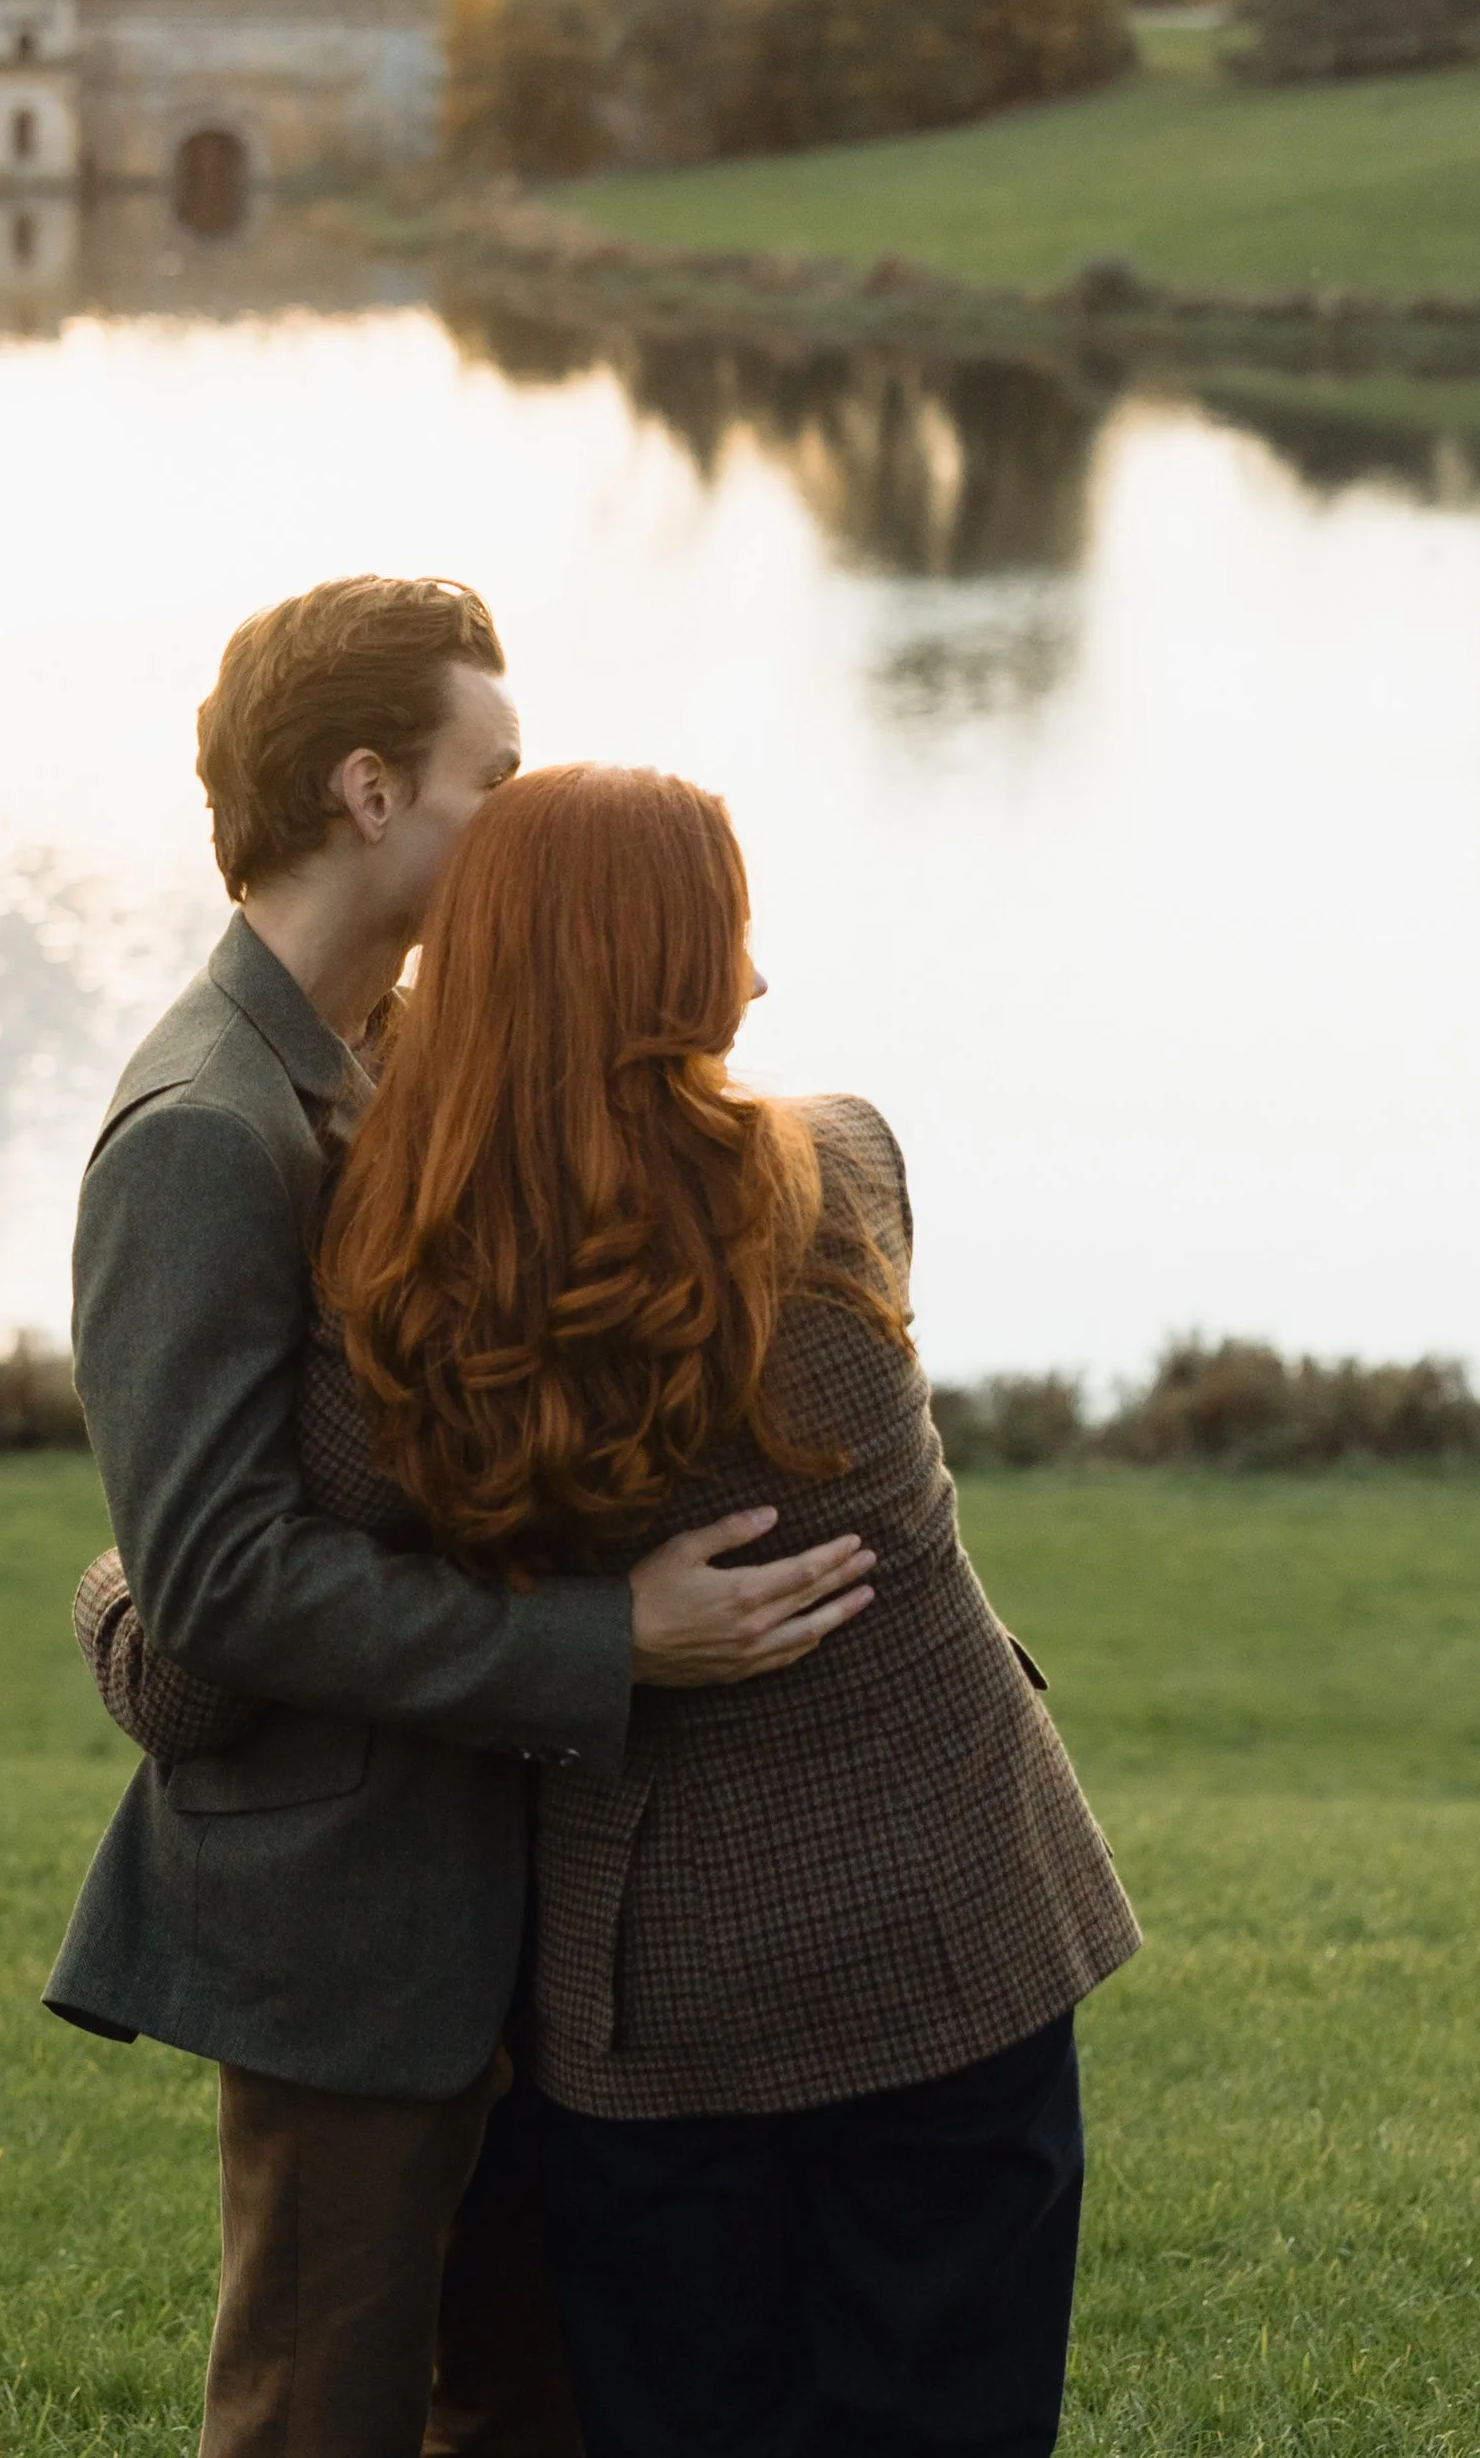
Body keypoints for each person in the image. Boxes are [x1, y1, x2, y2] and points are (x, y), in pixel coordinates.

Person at [83, 761, 1142, 2458]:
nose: (762, 981)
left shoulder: (414, 1303)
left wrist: (120, 1594)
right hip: (960, 1920)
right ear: (675, 969)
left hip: (661, 2001)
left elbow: (211, 1648)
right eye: (733, 935)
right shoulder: (847, 1166)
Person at [45, 587, 877, 2458]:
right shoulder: (202, 1126)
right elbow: (214, 1578)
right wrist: (611, 1639)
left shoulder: (414, 1054)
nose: (523, 816)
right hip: (351, 1922)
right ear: (366, 791)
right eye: (491, 777)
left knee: (527, 2397)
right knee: (318, 2409)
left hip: (538, 1885)